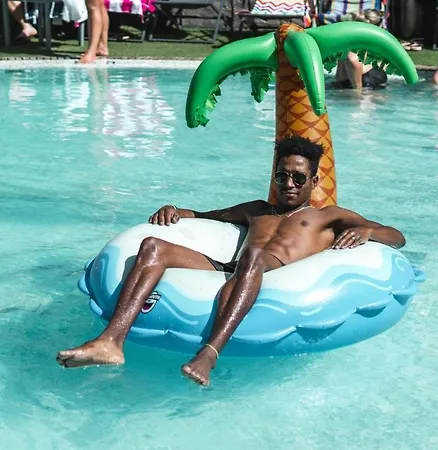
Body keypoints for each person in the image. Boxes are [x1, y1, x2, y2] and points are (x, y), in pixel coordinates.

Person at [57, 135, 406, 386]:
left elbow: (396, 236)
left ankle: (209, 353)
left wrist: (366, 232)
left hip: (274, 273)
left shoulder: (326, 216)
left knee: (253, 255)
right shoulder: (257, 210)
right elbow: (205, 215)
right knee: (152, 246)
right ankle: (111, 341)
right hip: (234, 269)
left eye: (298, 177)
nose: (288, 183)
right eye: (282, 175)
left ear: (313, 181)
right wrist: (173, 210)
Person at [335, 9, 388, 90]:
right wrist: (357, 91)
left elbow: (339, 77)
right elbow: (352, 59)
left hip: (347, 86)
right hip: (365, 90)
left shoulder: (348, 43)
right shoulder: (360, 44)